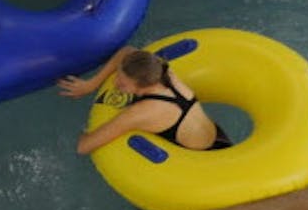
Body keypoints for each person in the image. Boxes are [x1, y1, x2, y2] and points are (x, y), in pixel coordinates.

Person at [57, 46, 232, 154]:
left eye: (123, 84)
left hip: (202, 161)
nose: (115, 84)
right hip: (221, 139)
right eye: (118, 76)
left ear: (142, 85)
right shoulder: (163, 71)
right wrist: (91, 84)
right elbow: (127, 51)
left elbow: (84, 146)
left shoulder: (141, 112)